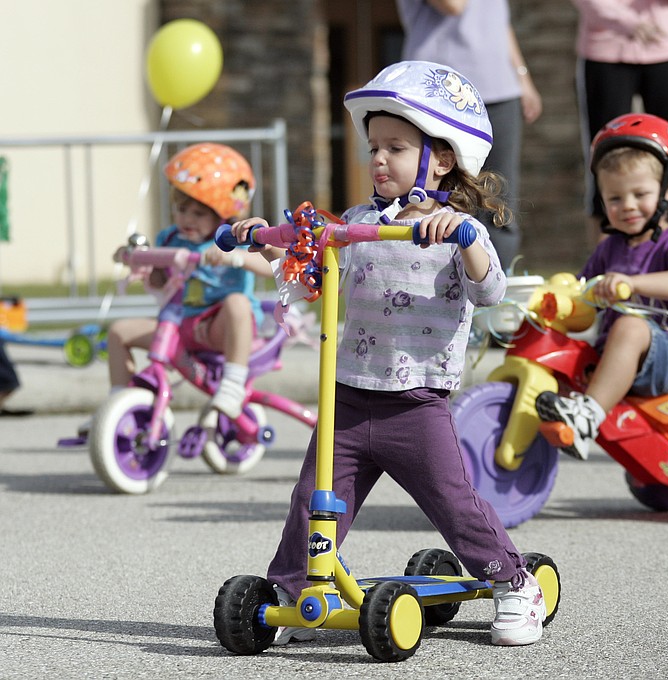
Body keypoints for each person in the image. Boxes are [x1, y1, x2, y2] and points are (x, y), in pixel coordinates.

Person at [232, 60, 546, 647]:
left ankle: (514, 582)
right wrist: (269, 244)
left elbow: (491, 290)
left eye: (395, 148)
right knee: (313, 500)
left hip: (416, 402)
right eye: (374, 146)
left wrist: (467, 235)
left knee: (452, 502)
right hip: (350, 393)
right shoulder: (354, 225)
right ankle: (292, 592)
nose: (378, 159)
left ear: (443, 158)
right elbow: (308, 282)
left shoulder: (456, 230)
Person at [535, 113, 668, 460]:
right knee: (558, 346)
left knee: (631, 325)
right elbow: (581, 297)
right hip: (619, 358)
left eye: (640, 193)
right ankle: (553, 415)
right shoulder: (608, 249)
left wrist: (631, 283)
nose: (628, 205)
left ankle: (586, 417)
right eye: (615, 198)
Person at [79, 143, 270, 435]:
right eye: (181, 209)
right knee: (119, 332)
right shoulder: (170, 237)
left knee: (236, 302)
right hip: (183, 323)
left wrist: (237, 257)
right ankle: (116, 406)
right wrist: (138, 259)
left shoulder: (233, 236)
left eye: (198, 213)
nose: (188, 219)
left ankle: (233, 383)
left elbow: (271, 267)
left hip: (222, 327)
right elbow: (159, 281)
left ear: (221, 213)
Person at [395, 0, 543, 270]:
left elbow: (498, 20)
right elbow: (453, 5)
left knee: (500, 198)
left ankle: (495, 289)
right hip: (438, 91)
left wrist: (521, 76)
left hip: (498, 88)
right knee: (442, 193)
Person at [572, 0, 668, 242]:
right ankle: (603, 267)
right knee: (603, 157)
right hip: (605, 50)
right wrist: (627, 21)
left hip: (665, 45)